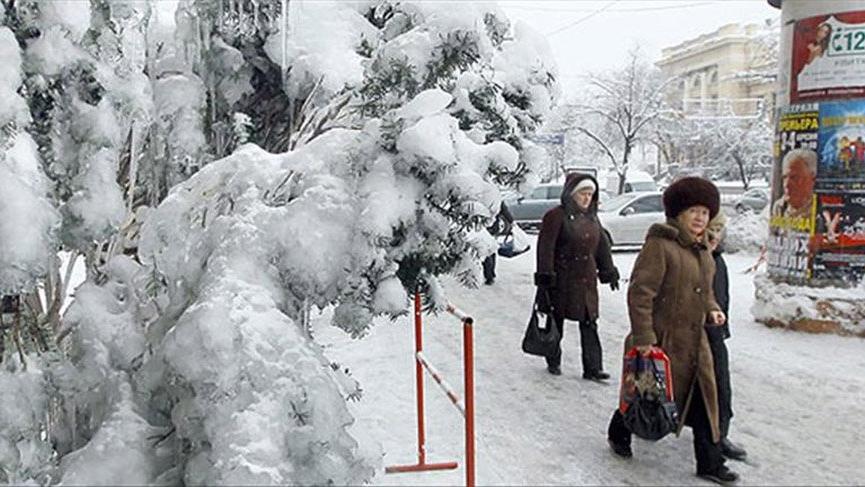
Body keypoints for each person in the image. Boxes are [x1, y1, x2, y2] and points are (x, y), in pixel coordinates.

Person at [606, 176, 739, 485]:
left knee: (708, 401)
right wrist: (644, 340)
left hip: (697, 343)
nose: (700, 218)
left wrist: (712, 308)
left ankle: (710, 462)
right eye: (694, 211)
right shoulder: (660, 245)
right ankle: (620, 431)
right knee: (647, 398)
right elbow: (640, 294)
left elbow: (704, 291)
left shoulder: (702, 249)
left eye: (705, 213)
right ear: (679, 213)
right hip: (661, 342)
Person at [533, 173, 619, 380]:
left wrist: (608, 272)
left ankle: (593, 368)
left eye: (590, 194)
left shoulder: (592, 218)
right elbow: (546, 248)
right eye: (583, 193)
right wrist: (546, 277)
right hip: (562, 279)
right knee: (557, 321)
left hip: (586, 280)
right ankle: (553, 360)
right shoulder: (556, 216)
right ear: (571, 194)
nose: (587, 198)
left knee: (590, 323)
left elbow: (601, 248)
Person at [705, 211, 748, 462]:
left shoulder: (718, 260)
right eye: (711, 231)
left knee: (721, 388)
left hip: (714, 334)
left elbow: (721, 297)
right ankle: (631, 423)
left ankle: (719, 436)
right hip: (685, 334)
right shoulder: (691, 257)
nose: (715, 237)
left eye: (719, 231)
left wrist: (722, 326)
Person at [772, 149, 816, 220]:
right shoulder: (779, 207)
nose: (786, 185)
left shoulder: (821, 213)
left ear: (813, 179)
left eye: (794, 178)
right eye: (785, 177)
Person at [483, 201, 514, 285]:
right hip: (493, 227)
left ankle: (489, 275)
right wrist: (511, 221)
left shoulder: (480, 195)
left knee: (486, 251)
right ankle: (491, 274)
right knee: (491, 251)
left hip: (484, 227)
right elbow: (504, 210)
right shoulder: (495, 196)